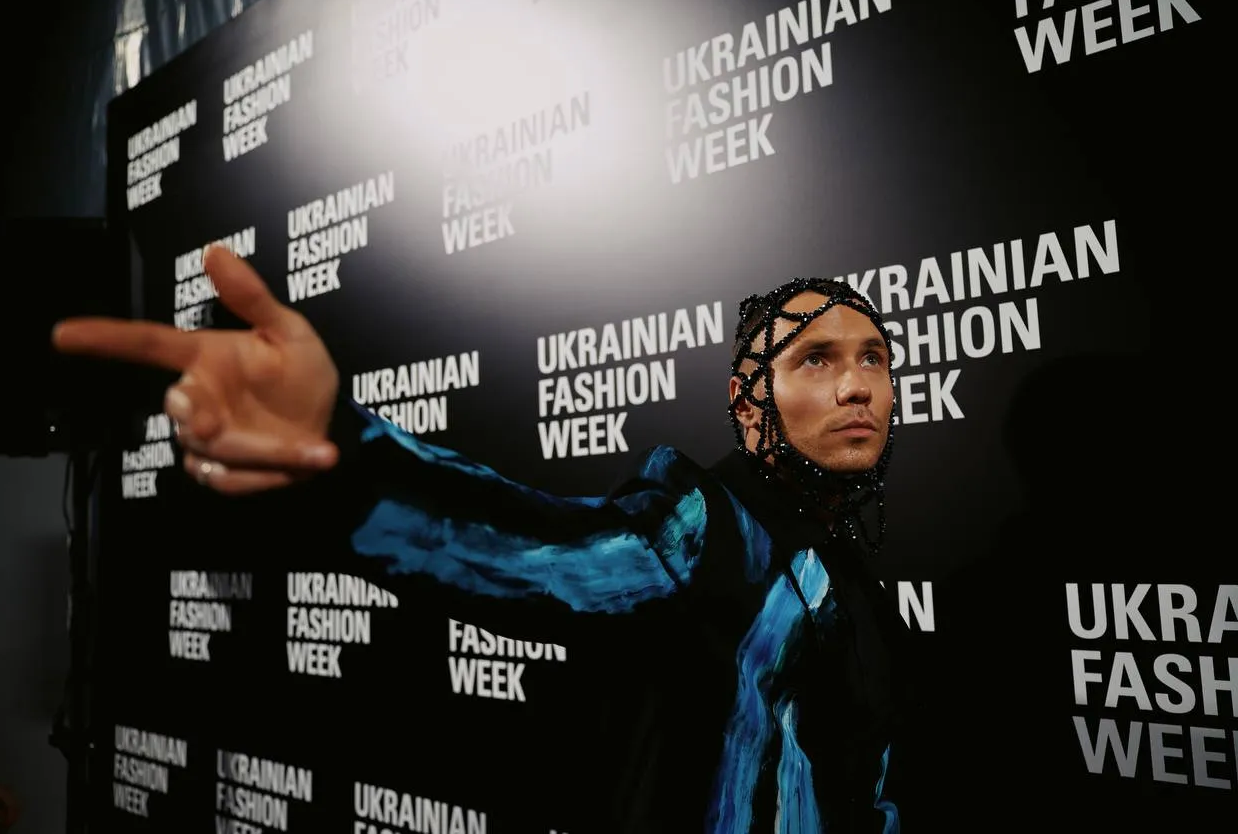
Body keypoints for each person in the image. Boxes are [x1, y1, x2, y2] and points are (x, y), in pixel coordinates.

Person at [53, 246, 919, 833]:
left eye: (874, 359)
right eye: (816, 358)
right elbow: (531, 550)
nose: (856, 386)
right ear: (747, 402)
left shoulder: (849, 571)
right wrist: (340, 446)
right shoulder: (703, 527)